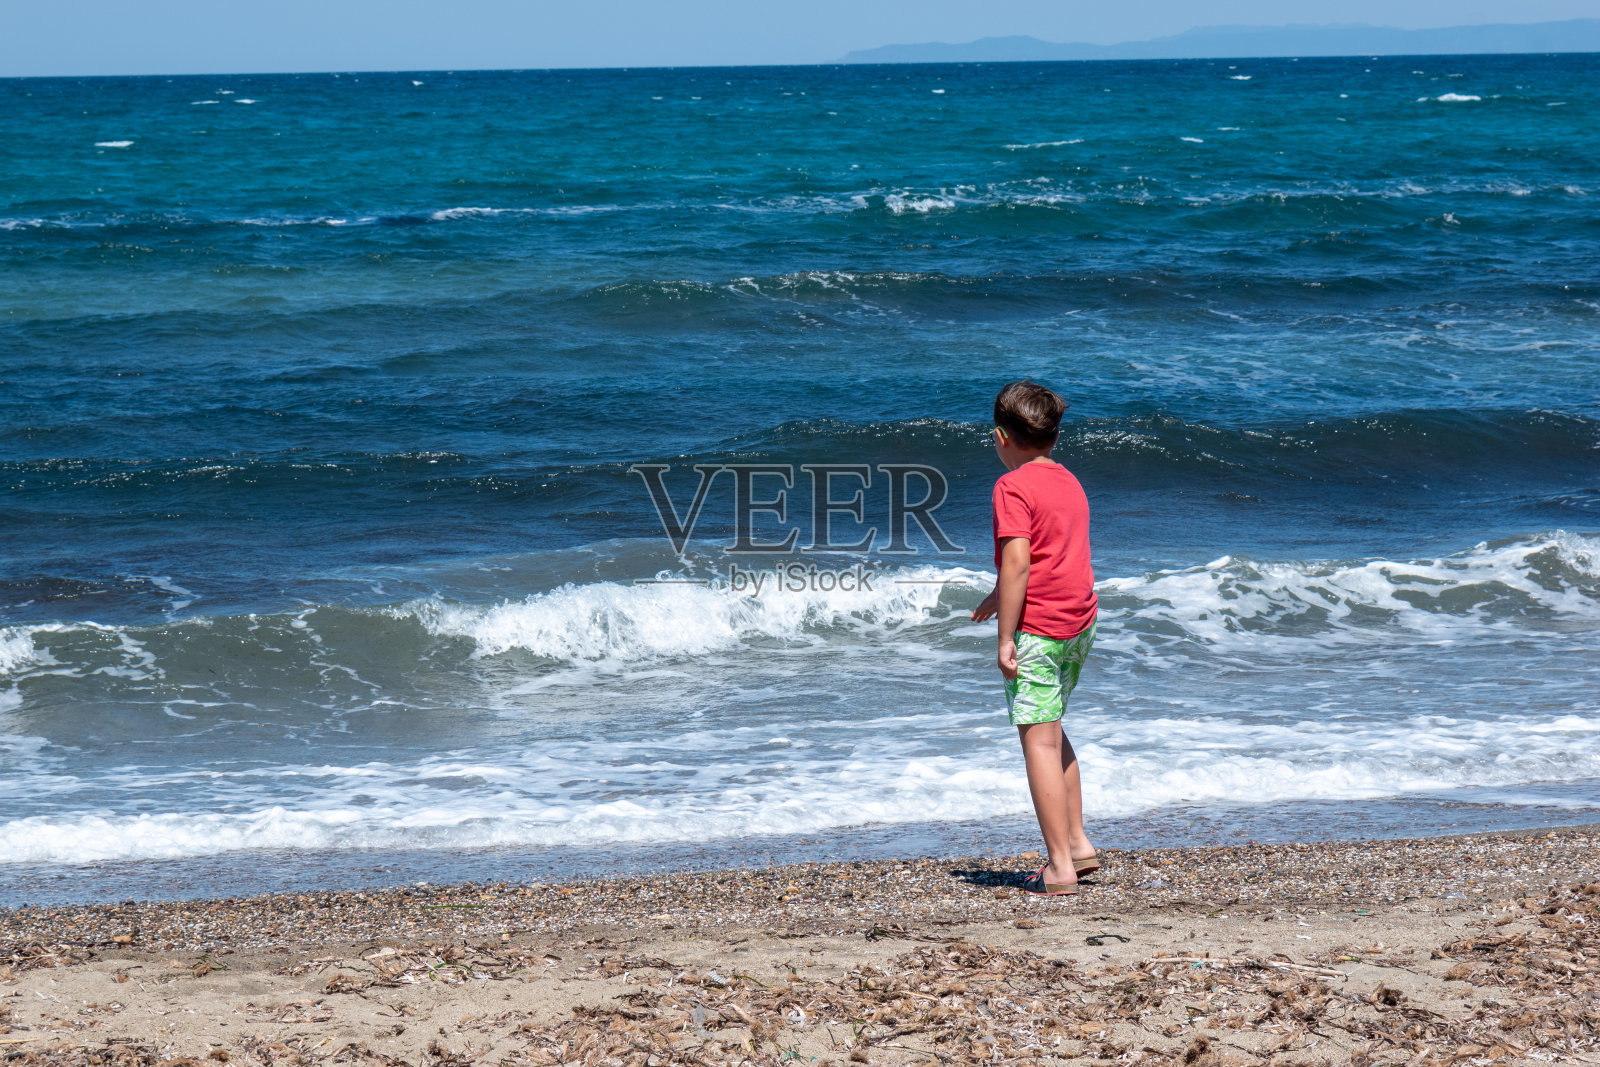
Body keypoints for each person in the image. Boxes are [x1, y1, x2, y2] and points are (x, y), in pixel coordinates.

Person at [970, 380, 1100, 896]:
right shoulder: (1068, 480)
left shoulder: (1012, 487)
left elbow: (1020, 559)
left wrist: (1007, 636)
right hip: (1080, 622)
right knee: (1052, 729)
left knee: (1038, 739)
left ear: (1000, 436)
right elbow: (1053, 554)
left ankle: (1060, 868)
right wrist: (996, 594)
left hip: (1040, 631)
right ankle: (1080, 844)